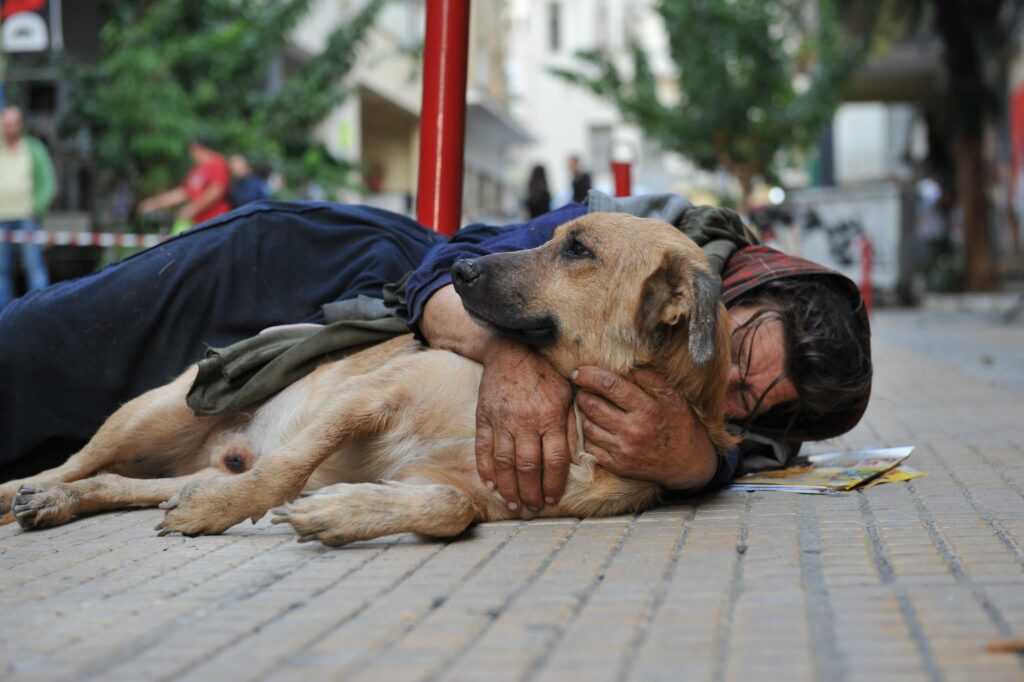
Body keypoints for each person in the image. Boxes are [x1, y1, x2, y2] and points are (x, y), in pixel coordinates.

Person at [0, 194, 871, 507]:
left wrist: (695, 464)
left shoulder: (727, 428)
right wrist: (515, 351)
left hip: (321, 399)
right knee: (30, 362)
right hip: (294, 275)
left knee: (42, 469)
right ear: (750, 281)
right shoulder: (654, 235)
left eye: (760, 407)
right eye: (748, 348)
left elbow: (725, 459)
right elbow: (458, 262)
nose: (735, 393)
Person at [0, 106, 55, 310]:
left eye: (12, 124)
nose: (9, 129)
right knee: (1, 270)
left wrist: (37, 206)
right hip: (1, 217)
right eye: (6, 125)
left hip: (27, 216)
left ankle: (41, 310)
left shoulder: (33, 148)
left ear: (20, 125)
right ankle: (3, 317)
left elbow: (48, 182)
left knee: (34, 266)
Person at [136, 137, 232, 232]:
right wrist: (155, 203)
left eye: (191, 152)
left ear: (197, 148)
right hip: (199, 223)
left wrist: (191, 209)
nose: (190, 156)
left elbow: (216, 191)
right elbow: (183, 193)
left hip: (216, 222)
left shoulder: (218, 164)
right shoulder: (197, 169)